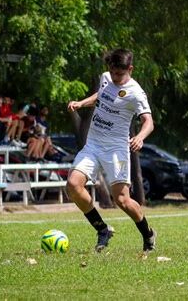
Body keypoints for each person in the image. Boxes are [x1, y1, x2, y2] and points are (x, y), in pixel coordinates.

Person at [66, 48, 156, 253]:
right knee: (73, 185)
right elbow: (102, 95)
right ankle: (102, 229)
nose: (115, 77)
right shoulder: (106, 78)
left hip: (117, 149)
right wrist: (82, 103)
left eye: (119, 74)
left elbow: (148, 122)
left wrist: (140, 137)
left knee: (122, 200)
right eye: (112, 72)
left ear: (130, 69)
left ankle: (148, 233)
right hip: (93, 144)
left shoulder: (136, 92)